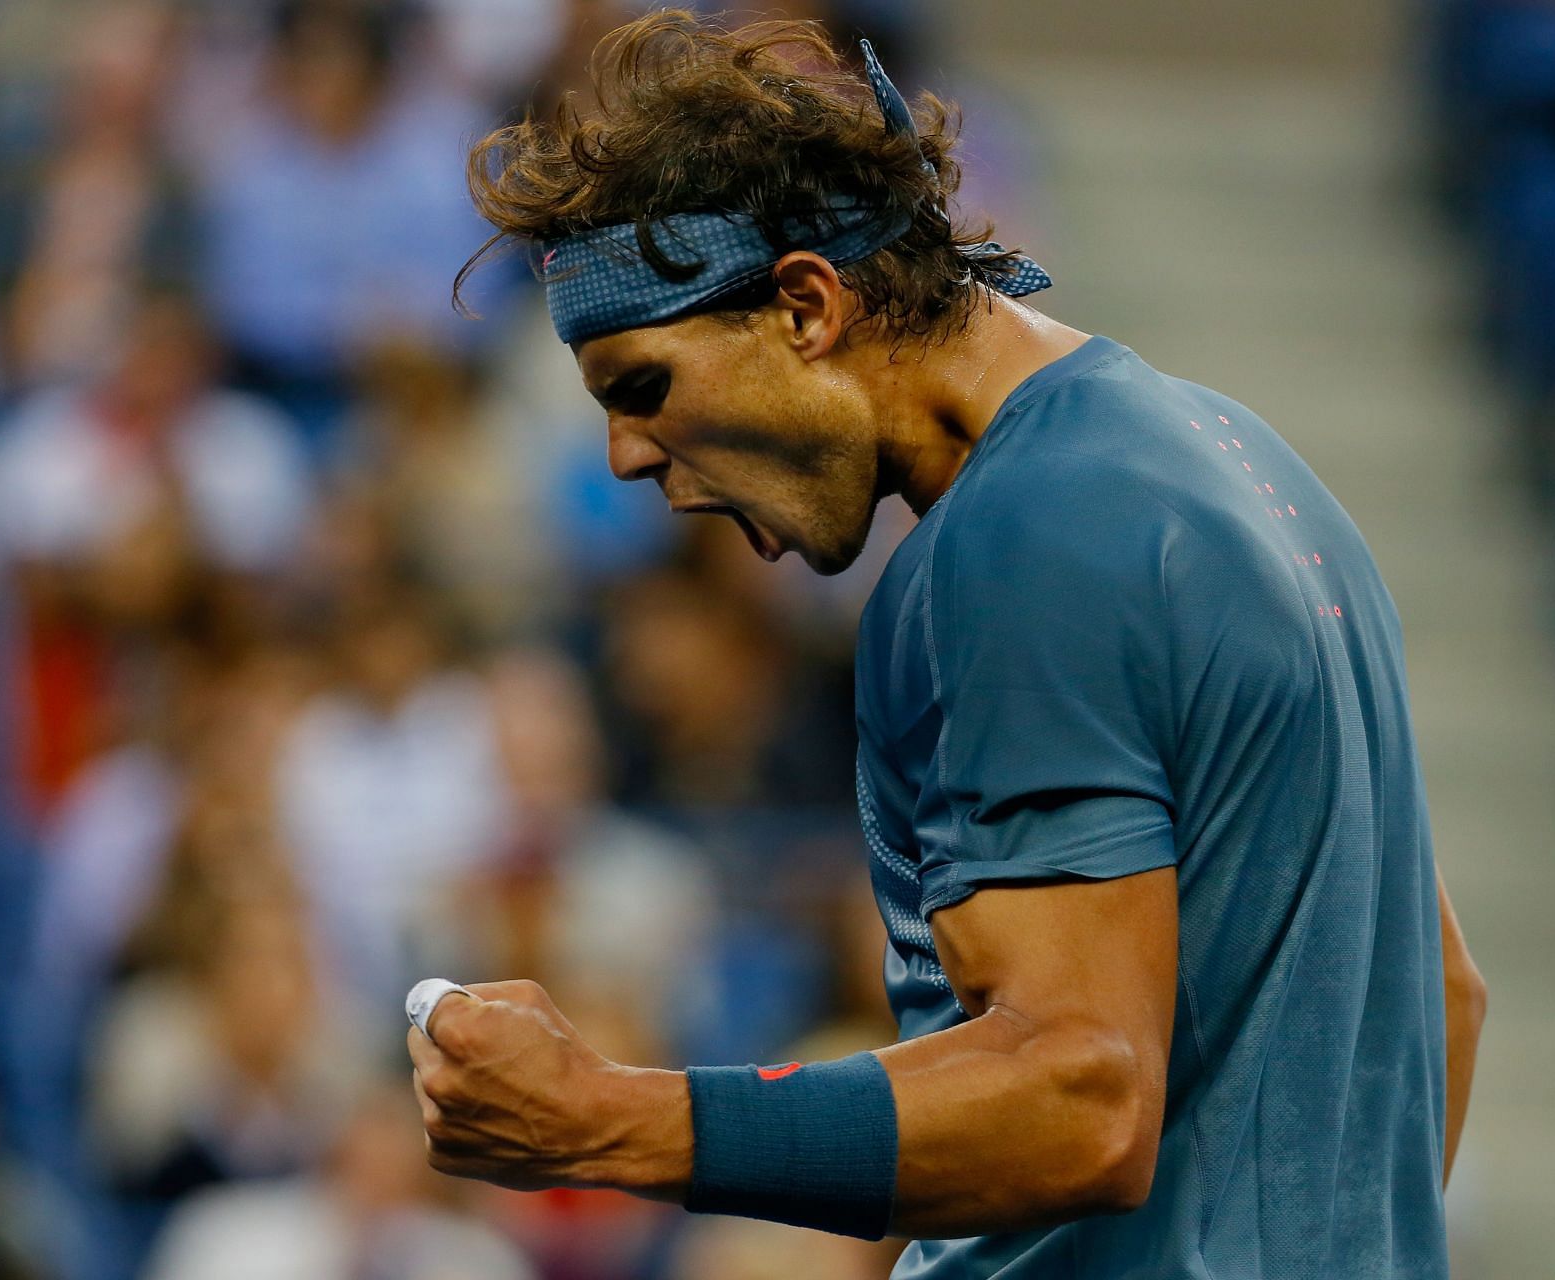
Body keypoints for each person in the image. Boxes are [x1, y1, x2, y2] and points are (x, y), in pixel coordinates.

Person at [405, 13, 1488, 1279]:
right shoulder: (1246, 461)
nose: (627, 458)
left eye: (642, 386)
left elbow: (1080, 1094)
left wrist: (608, 1117)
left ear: (806, 305)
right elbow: (1441, 998)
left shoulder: (1024, 537)